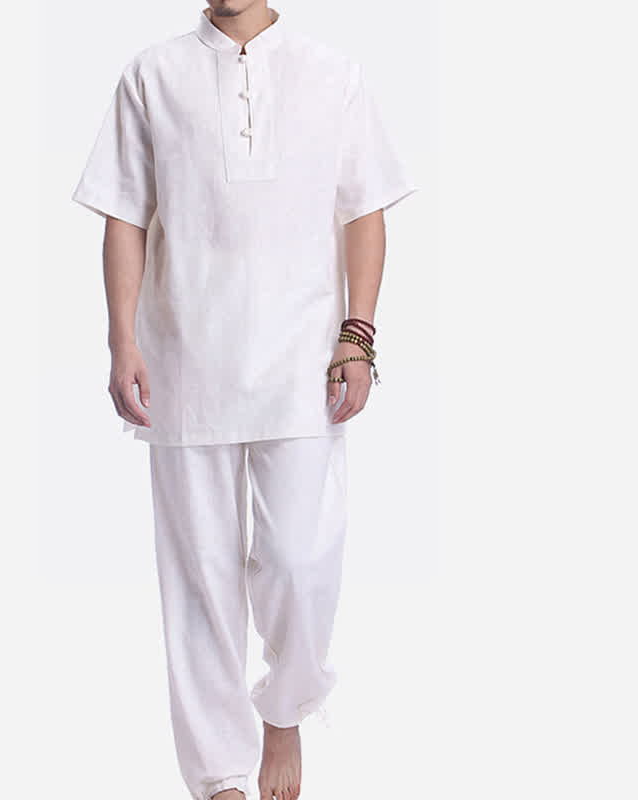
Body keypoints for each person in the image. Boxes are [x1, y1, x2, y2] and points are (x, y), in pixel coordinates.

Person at [72, 2, 416, 798]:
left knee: (301, 560)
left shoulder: (332, 74)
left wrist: (358, 334)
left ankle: (285, 707)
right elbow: (124, 215)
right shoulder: (151, 76)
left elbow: (365, 208)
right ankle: (220, 773)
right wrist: (122, 340)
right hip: (184, 363)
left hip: (303, 367)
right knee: (199, 581)